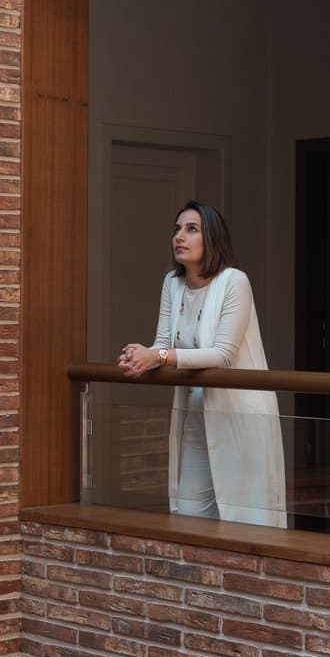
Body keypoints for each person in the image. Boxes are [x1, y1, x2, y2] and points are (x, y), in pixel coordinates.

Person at [118, 202, 287, 529]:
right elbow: (163, 343)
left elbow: (222, 353)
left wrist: (158, 357)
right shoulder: (173, 283)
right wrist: (140, 355)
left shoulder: (234, 282)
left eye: (191, 229)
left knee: (247, 522)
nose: (179, 236)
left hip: (240, 415)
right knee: (190, 517)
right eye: (176, 229)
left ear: (212, 238)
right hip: (195, 414)